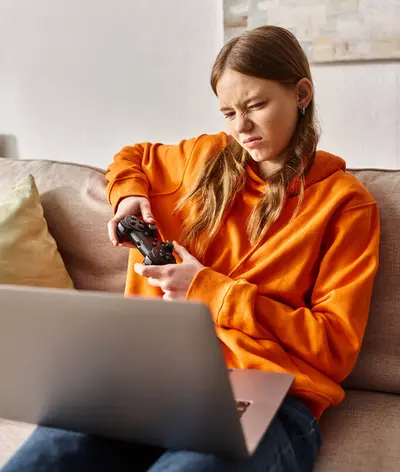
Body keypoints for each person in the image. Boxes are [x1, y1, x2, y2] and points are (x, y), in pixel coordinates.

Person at [2, 26, 380, 472]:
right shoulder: (205, 158)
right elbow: (133, 157)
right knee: (39, 462)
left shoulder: (346, 204)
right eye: (228, 112)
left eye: (257, 105)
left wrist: (207, 289)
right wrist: (128, 197)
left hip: (270, 395)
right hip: (151, 379)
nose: (241, 127)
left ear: (301, 94)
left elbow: (334, 348)